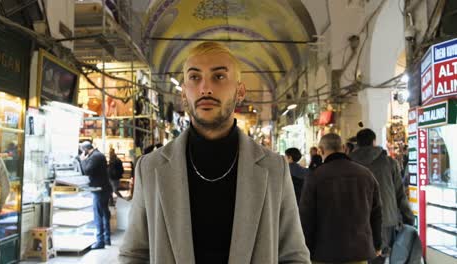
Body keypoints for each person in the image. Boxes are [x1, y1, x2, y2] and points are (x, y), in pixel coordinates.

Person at [119, 42, 310, 263]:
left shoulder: (274, 168)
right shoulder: (150, 168)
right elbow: (134, 253)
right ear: (183, 94)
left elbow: (293, 255)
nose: (205, 88)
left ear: (240, 92)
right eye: (195, 77)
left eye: (219, 77)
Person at [299, 133, 382, 263]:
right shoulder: (366, 174)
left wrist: (305, 249)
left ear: (320, 150)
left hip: (323, 253)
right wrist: (377, 244)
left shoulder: (315, 177)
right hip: (358, 251)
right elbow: (376, 212)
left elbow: (306, 216)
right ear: (344, 148)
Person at [349, 129, 414, 264]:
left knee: (358, 258)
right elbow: (399, 194)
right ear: (374, 141)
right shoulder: (389, 162)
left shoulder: (348, 163)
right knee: (379, 257)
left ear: (358, 143)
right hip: (385, 219)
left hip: (355, 220)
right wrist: (408, 218)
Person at [80, 141, 112, 249]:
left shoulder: (95, 157)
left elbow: (87, 170)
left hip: (99, 189)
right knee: (104, 213)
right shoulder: (98, 155)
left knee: (98, 214)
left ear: (85, 150)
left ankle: (100, 241)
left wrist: (83, 160)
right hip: (104, 188)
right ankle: (106, 238)